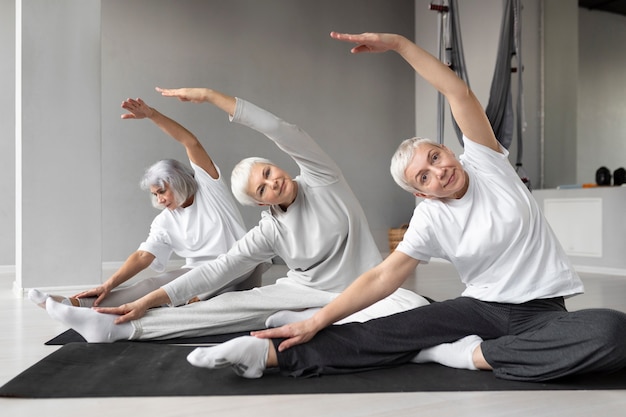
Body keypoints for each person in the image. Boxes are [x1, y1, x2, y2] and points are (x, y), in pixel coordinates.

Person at [184, 31, 626, 381]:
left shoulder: (488, 163)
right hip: (479, 307)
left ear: (448, 150)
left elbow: (460, 95)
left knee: (612, 333)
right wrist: (316, 319)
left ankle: (467, 355)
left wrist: (399, 45)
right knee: (383, 331)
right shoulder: (430, 216)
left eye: (436, 157)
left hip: (541, 314)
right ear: (421, 193)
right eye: (423, 177)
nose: (438, 173)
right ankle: (267, 355)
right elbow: (383, 275)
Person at [37, 86, 430, 343]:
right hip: (304, 288)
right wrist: (151, 300)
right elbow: (216, 269)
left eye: (268, 173)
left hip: (363, 286)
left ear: (277, 166)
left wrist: (210, 96)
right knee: (219, 310)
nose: (272, 184)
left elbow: (279, 128)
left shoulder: (322, 178)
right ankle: (120, 328)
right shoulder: (268, 229)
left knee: (415, 312)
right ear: (260, 204)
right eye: (261, 188)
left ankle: (317, 316)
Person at [29, 97, 264, 310]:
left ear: (179, 182)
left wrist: (152, 115)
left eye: (162, 191)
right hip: (200, 274)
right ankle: (76, 304)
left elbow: (190, 142)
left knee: (219, 272)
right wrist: (108, 284)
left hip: (240, 266)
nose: (159, 199)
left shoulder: (210, 190)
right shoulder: (165, 220)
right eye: (155, 194)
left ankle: (199, 297)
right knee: (152, 284)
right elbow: (143, 257)